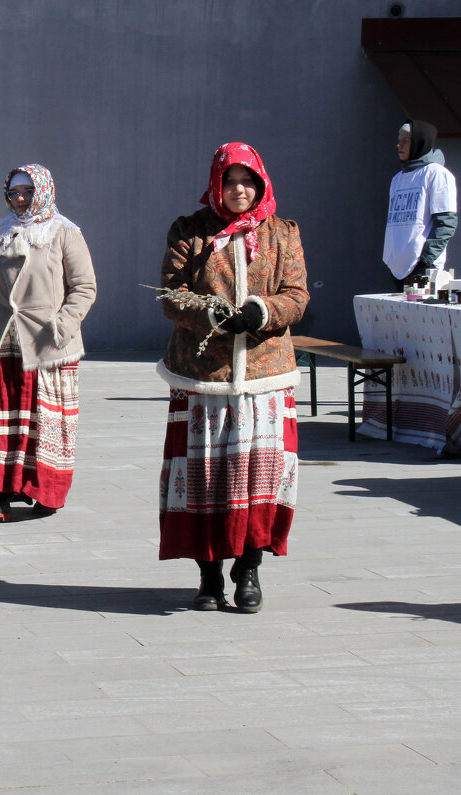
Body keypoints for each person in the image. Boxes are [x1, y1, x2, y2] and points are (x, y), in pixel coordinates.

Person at [157, 142, 309, 613]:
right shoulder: (191, 231)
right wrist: (213, 317)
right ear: (216, 184)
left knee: (254, 482)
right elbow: (171, 294)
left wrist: (262, 311)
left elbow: (298, 295)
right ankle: (208, 576)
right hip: (205, 380)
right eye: (230, 181)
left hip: (264, 379)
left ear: (260, 183)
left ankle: (248, 571)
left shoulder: (282, 233)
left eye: (248, 181)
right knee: (206, 479)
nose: (239, 190)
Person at [0, 164, 97, 523]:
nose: (19, 200)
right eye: (13, 193)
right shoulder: (0, 231)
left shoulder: (64, 232)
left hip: (46, 343)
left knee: (41, 419)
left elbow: (84, 287)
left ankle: (44, 490)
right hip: (1, 342)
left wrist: (62, 323)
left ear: (42, 192)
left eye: (27, 193)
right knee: (1, 419)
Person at [383, 119, 457, 288]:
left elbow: (446, 223)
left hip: (422, 268)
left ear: (419, 142)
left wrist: (426, 261)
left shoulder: (437, 174)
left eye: (405, 141)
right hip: (397, 268)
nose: (399, 145)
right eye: (398, 140)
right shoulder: (398, 178)